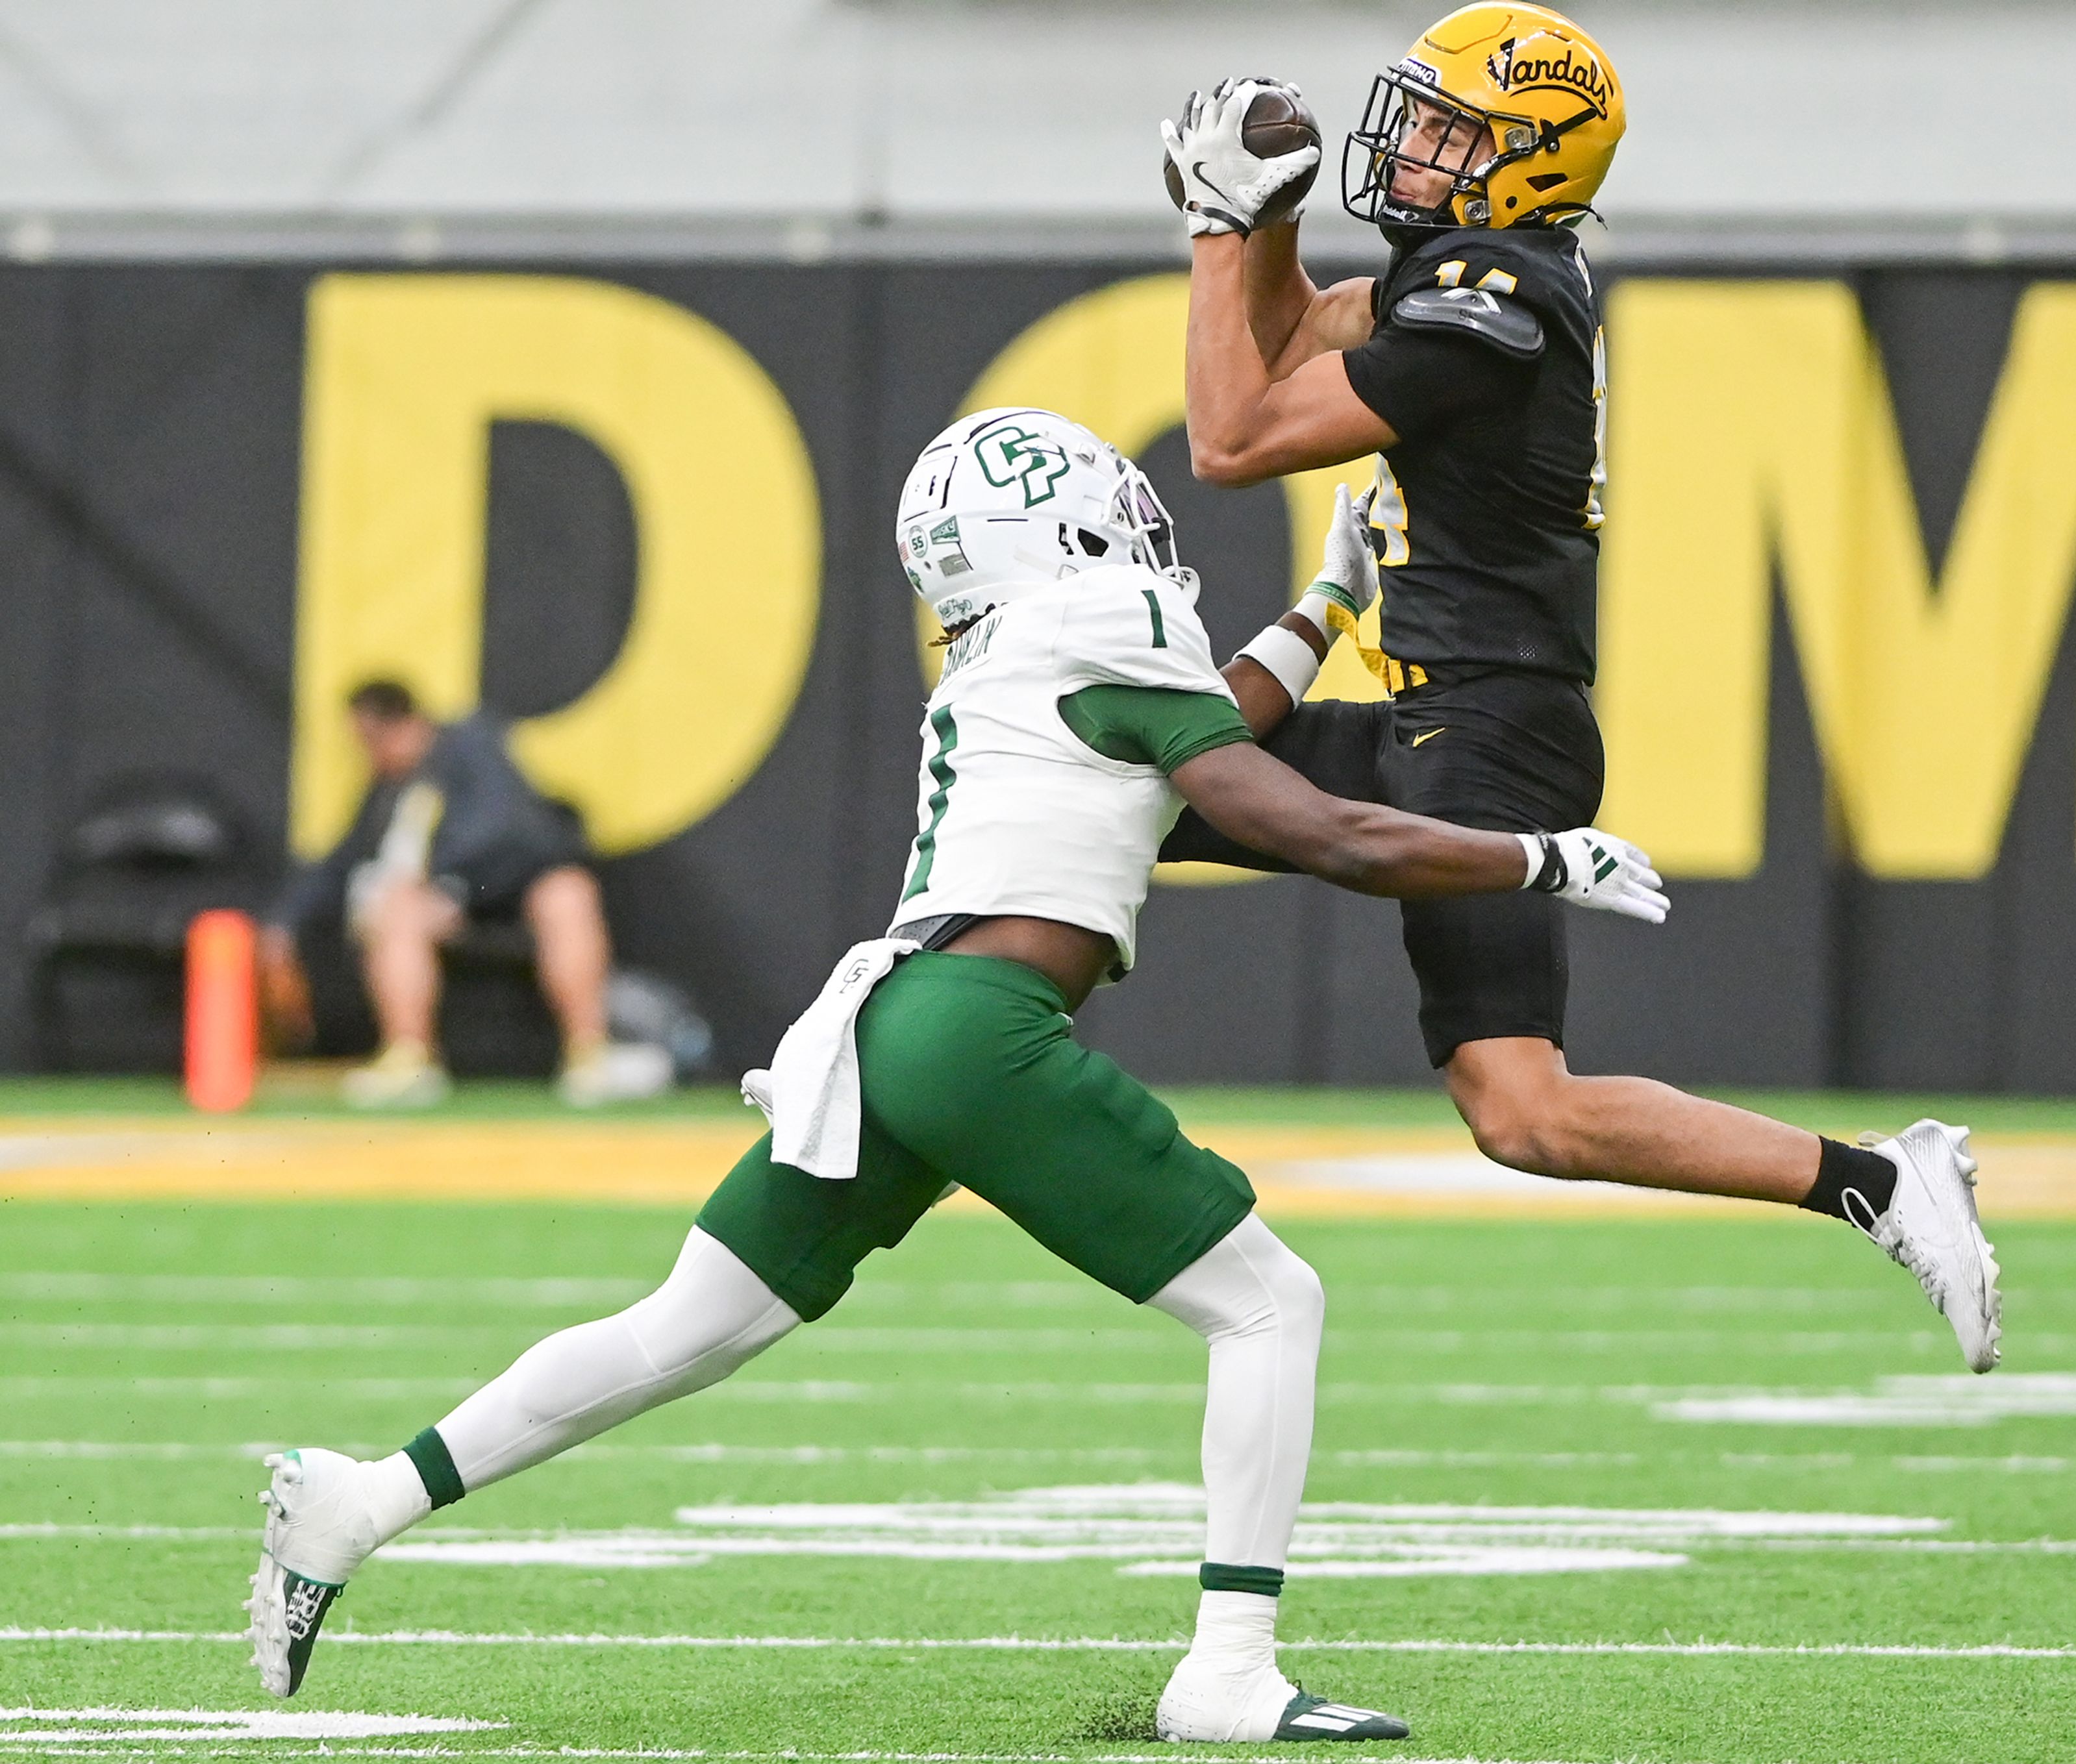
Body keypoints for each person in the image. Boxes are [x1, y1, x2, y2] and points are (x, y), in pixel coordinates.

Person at [248, 408, 1668, 1739]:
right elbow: (1319, 826)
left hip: (888, 1026)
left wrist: (1323, 609)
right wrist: (1540, 855)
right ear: (1066, 533)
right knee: (1268, 1303)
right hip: (978, 1027)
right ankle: (1228, 1667)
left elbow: (1193, 725)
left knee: (685, 1326)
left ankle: (363, 1498)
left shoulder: (1019, 650)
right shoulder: (1109, 624)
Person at [1155, 6, 2001, 1371]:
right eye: (1420, 118)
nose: (1417, 149)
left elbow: (1232, 433)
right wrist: (1272, 224)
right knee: (1117, 786)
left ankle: (1881, 1181)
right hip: (1449, 712)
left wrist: (1213, 222)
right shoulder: (1483, 270)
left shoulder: (1492, 292)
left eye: (1452, 132)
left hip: (1485, 730)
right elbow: (1296, 330)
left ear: (1535, 163)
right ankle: (897, 1043)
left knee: (1524, 1111)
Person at [260, 680, 669, 1108]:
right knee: (396, 908)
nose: (372, 753)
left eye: (375, 739)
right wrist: (283, 924)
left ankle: (589, 1054)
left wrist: (449, 881)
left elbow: (503, 827)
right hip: (445, 901)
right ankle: (410, 1057)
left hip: (507, 883)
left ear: (407, 723)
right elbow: (338, 862)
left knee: (568, 893)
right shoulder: (386, 791)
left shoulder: (470, 744)